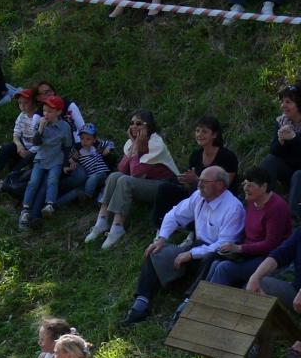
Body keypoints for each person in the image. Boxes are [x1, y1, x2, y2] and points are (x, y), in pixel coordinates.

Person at [122, 167, 246, 325]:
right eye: (199, 180)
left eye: (204, 182)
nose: (199, 184)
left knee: (214, 259)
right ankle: (142, 302)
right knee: (156, 251)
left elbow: (224, 245)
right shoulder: (198, 197)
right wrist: (161, 238)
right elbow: (173, 215)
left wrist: (191, 254)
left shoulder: (233, 208)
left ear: (220, 186)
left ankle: (186, 305)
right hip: (196, 248)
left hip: (216, 254)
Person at [85, 110, 178, 250]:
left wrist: (136, 146)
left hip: (165, 186)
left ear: (149, 126)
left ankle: (117, 227)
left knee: (125, 181)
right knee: (114, 176)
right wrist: (134, 145)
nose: (134, 126)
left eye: (139, 123)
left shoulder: (155, 143)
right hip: (146, 182)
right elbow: (122, 169)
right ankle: (102, 221)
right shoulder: (131, 143)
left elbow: (135, 173)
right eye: (132, 123)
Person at [204, 167, 292, 289]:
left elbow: (271, 244)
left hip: (269, 258)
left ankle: (208, 302)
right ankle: (193, 299)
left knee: (224, 268)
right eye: (245, 184)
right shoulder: (252, 201)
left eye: (250, 185)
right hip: (250, 253)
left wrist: (239, 248)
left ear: (264, 187)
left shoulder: (277, 208)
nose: (245, 188)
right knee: (214, 262)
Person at [149, 116, 241, 229]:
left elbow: (224, 186)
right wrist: (185, 180)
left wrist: (196, 180)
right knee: (165, 188)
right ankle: (161, 228)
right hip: (199, 194)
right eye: (197, 131)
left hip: (219, 199)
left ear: (214, 135)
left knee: (199, 200)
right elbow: (192, 187)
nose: (199, 135)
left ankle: (195, 232)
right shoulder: (196, 156)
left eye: (204, 132)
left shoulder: (227, 157)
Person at [19, 95, 74, 229]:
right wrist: (40, 129)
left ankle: (49, 204)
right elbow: (36, 142)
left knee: (52, 180)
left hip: (56, 158)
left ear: (58, 112)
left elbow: (67, 146)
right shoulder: (40, 123)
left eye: (49, 111)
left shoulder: (65, 127)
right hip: (41, 157)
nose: (46, 114)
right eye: (44, 111)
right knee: (33, 181)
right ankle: (25, 209)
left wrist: (66, 163)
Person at [262, 85, 301, 218]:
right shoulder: (282, 121)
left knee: (298, 175)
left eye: (288, 102)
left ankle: (293, 219)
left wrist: (294, 138)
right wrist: (281, 141)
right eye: (282, 102)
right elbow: (273, 151)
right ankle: (262, 203)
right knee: (269, 160)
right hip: (289, 171)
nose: (283, 106)